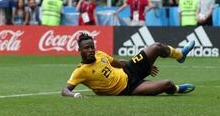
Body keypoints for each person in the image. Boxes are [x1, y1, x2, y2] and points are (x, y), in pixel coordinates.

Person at [61, 33, 196, 97]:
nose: (90, 50)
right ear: (79, 50)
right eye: (86, 48)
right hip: (128, 89)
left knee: (156, 47)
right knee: (167, 84)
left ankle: (180, 55)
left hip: (129, 69)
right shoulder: (80, 71)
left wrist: (145, 66)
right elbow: (65, 90)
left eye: (92, 47)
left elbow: (119, 63)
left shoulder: (100, 55)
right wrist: (75, 95)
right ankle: (176, 89)